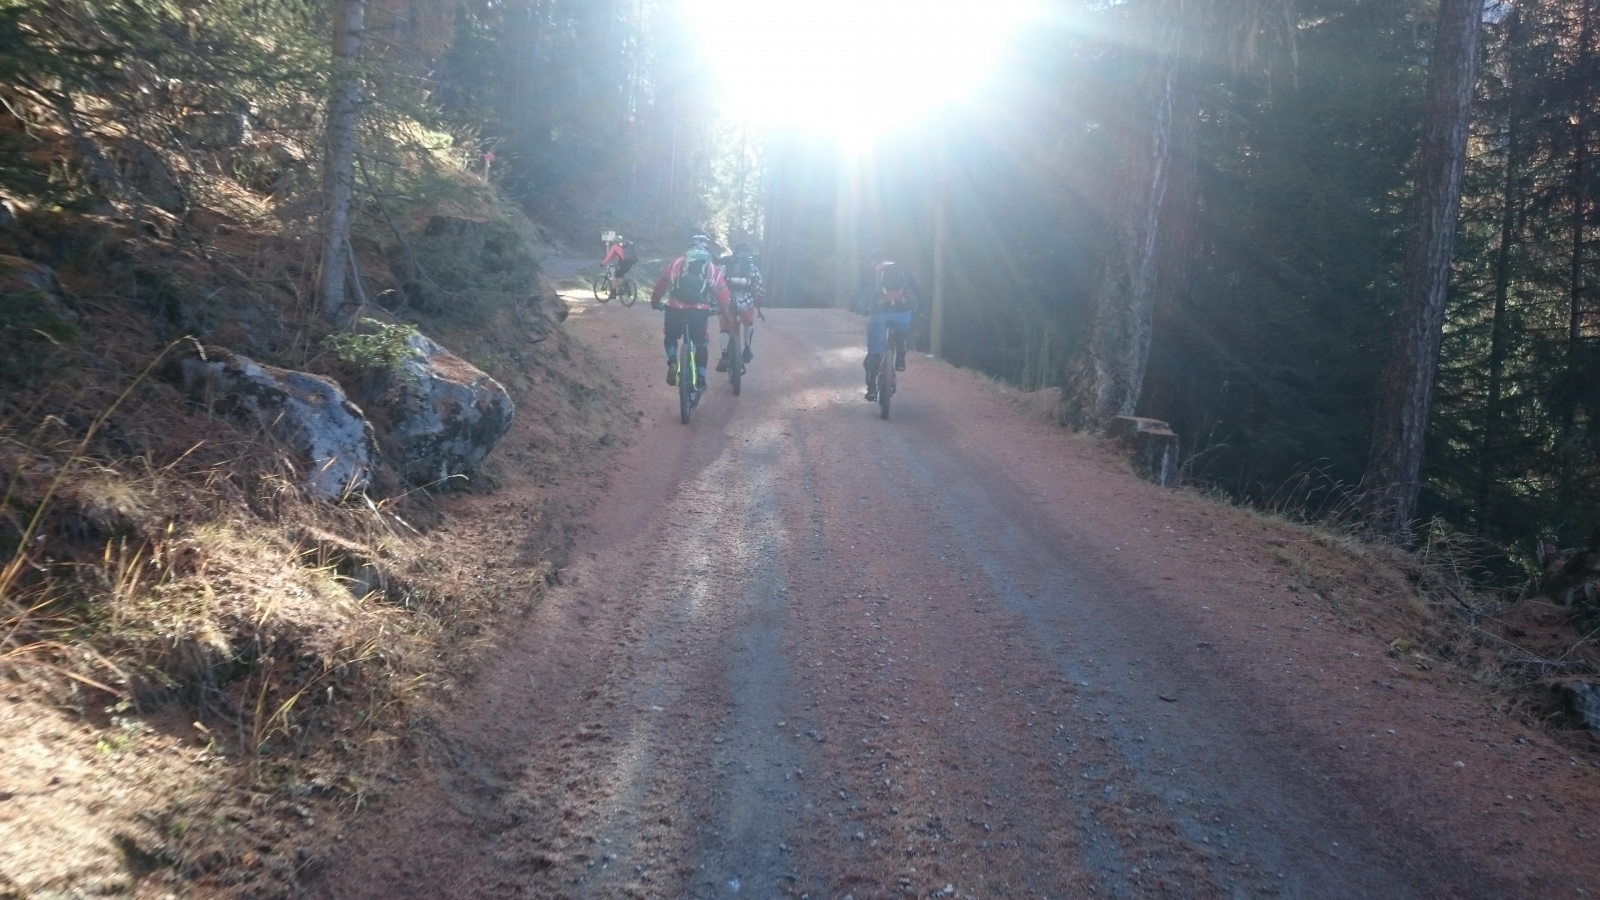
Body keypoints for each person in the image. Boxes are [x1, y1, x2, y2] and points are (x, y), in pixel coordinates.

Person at [650, 242, 730, 392]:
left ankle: (673, 362)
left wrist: (655, 301)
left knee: (670, 336)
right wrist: (723, 309)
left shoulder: (677, 263)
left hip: (675, 309)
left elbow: (661, 283)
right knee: (702, 342)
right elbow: (723, 293)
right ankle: (701, 378)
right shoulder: (711, 267)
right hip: (699, 312)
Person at [858, 251, 919, 402]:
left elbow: (858, 291)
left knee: (874, 353)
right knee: (901, 332)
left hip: (880, 314)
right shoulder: (902, 270)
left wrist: (857, 307)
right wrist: (919, 311)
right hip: (903, 314)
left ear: (875, 260)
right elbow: (918, 291)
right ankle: (900, 357)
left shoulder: (872, 271)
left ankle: (871, 389)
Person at [715, 241, 762, 373]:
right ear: (748, 252)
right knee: (749, 322)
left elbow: (717, 282)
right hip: (745, 301)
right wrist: (758, 300)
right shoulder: (752, 266)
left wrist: (716, 299)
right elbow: (759, 286)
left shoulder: (726, 263)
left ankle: (724, 356)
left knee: (725, 328)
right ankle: (747, 349)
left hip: (727, 300)